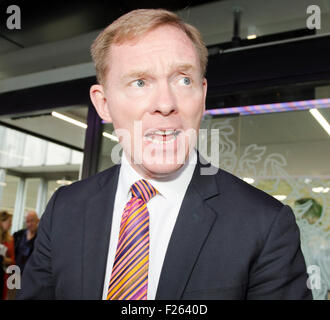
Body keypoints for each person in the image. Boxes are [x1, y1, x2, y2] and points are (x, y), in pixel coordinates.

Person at [17, 9, 312, 300]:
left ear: (203, 93)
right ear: (103, 103)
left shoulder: (265, 224)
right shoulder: (65, 208)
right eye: (140, 82)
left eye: (183, 79)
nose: (166, 103)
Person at [13, 211, 39, 275]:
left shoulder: (41, 238)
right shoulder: (18, 235)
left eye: (32, 220)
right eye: (27, 221)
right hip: (15, 273)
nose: (30, 224)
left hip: (31, 275)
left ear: (38, 221)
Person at [0, 211, 15, 300]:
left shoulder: (10, 239)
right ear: (1, 222)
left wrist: (3, 259)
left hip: (4, 274)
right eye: (9, 221)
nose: (11, 224)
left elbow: (13, 260)